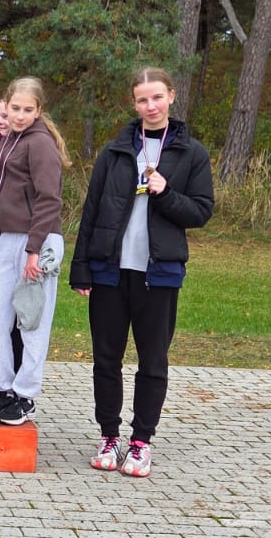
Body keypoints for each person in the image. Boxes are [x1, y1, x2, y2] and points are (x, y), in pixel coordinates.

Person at [70, 66, 214, 477]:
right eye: (142, 100)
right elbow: (91, 211)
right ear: (133, 104)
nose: (150, 106)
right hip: (111, 272)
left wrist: (166, 193)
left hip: (159, 273)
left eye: (157, 97)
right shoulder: (115, 151)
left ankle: (140, 442)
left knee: (153, 361)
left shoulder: (191, 153)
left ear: (171, 96)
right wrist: (82, 269)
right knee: (106, 360)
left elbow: (201, 211)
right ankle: (109, 436)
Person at [0, 77, 71, 427]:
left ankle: (26, 394)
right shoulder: (10, 139)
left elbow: (50, 200)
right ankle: (4, 388)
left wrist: (34, 249)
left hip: (38, 241)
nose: (18, 115)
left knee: (31, 322)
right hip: (8, 238)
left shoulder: (41, 143)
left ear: (39, 110)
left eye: (27, 109)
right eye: (14, 108)